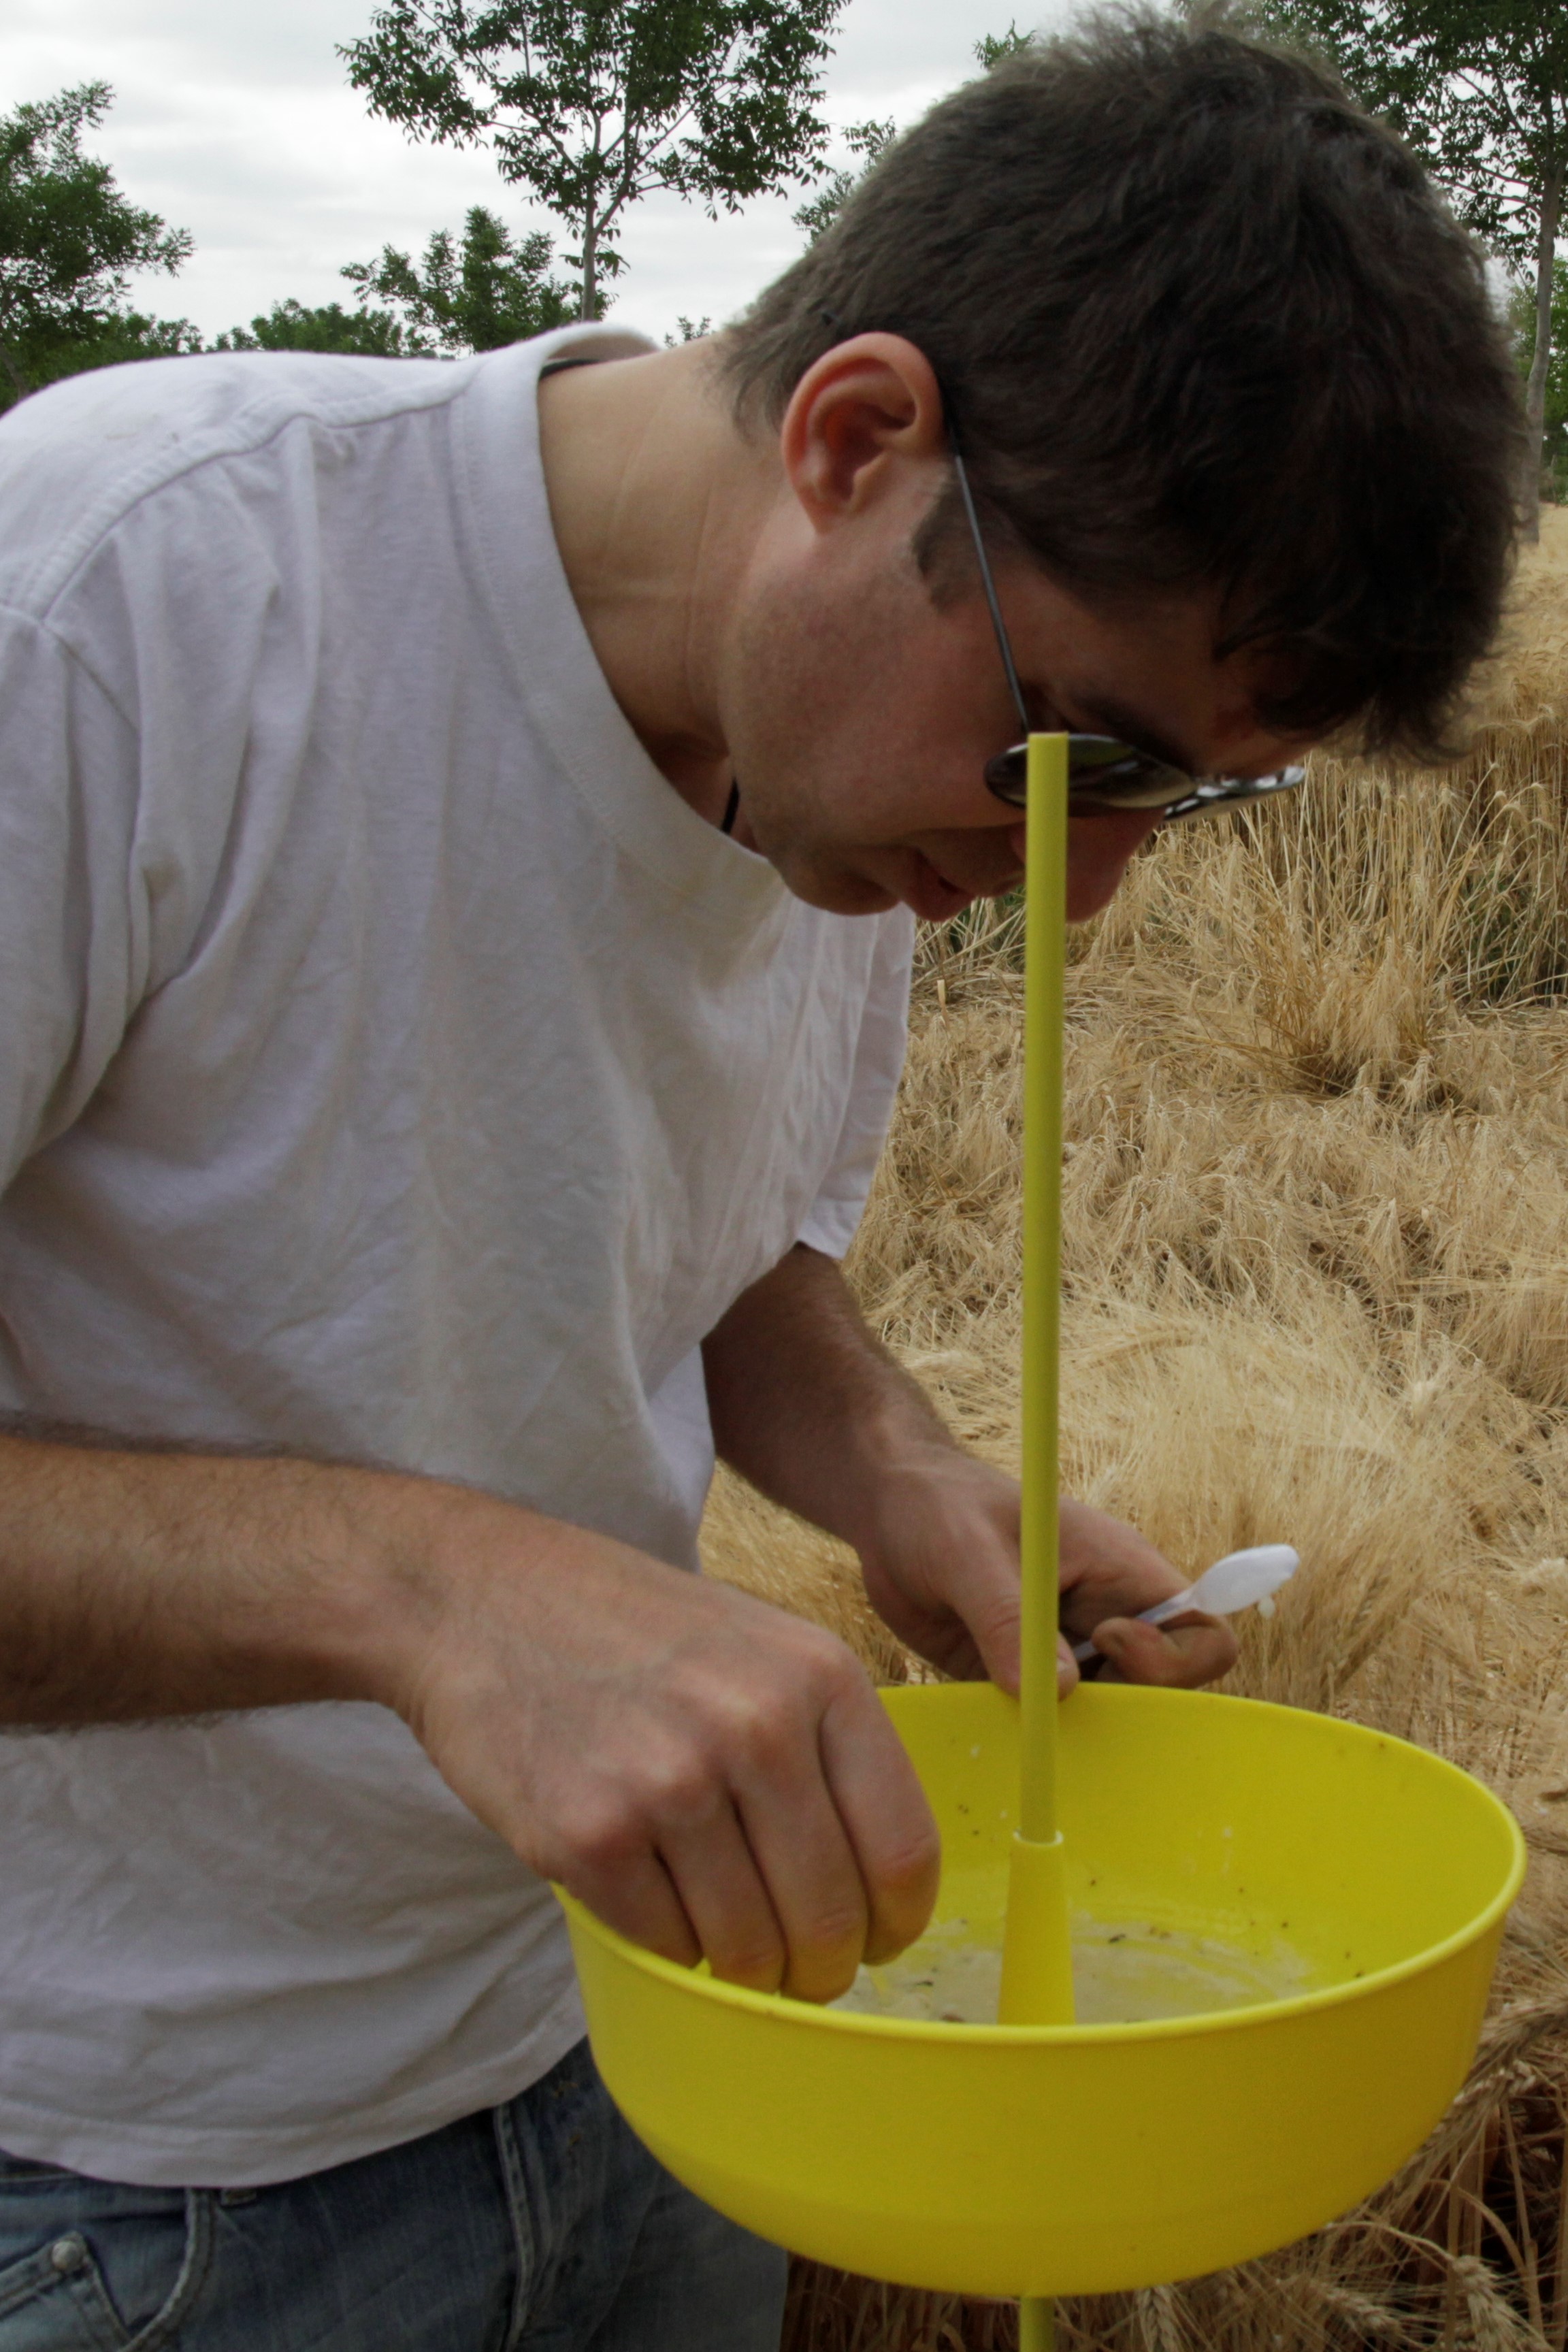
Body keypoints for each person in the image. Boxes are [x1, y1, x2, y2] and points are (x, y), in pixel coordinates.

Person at [0, 10, 1520, 2349]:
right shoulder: (123, 607)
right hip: (128, 2184)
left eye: (1175, 802)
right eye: (1075, 758)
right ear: (855, 441)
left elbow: (707, 1252)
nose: (1076, 892)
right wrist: (431, 1596)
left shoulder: (849, 782)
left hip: (654, 2056)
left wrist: (910, 1481)